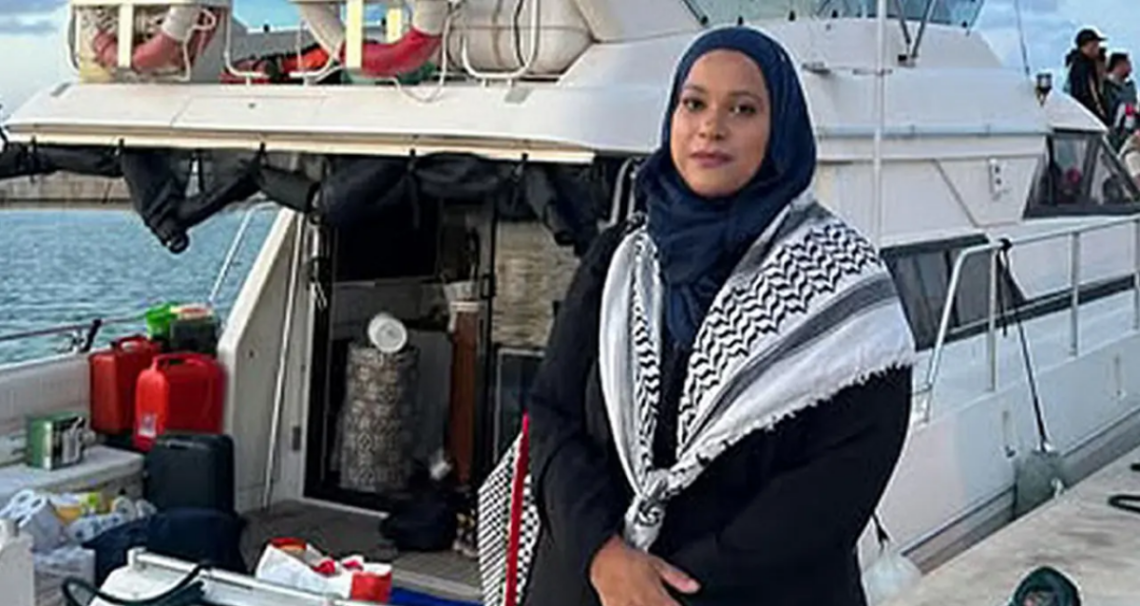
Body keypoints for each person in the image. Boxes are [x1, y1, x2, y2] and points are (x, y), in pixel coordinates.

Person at [524, 25, 916, 606]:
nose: (711, 126)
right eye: (694, 103)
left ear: (779, 131)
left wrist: (666, 589)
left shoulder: (842, 285)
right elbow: (553, 416)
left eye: (743, 109)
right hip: (592, 582)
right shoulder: (620, 261)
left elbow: (837, 482)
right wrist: (604, 557)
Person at [1067, 28, 1109, 125]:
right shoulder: (1082, 66)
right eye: (1096, 45)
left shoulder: (1077, 63)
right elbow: (1086, 93)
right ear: (1089, 45)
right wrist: (1099, 116)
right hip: (1086, 116)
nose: (1098, 48)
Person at [1105, 52, 1138, 149]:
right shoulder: (1107, 87)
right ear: (1119, 65)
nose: (1130, 68)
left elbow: (1132, 108)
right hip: (1113, 132)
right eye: (1127, 64)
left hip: (1130, 132)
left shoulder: (1129, 88)